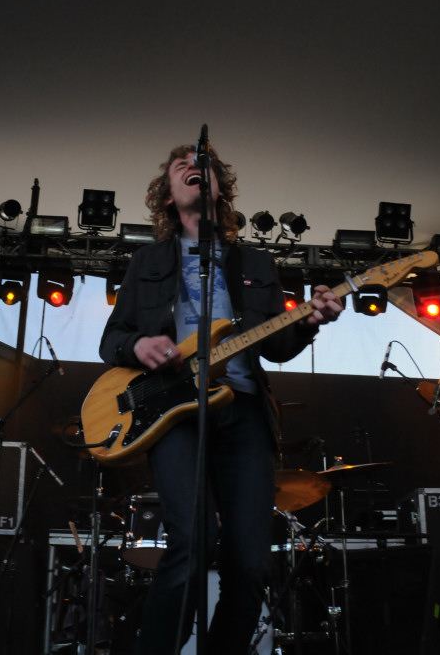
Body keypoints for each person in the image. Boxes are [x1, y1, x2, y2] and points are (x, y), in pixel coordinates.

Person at [100, 143, 343, 653]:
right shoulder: (147, 261)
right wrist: (139, 345)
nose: (195, 167)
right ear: (168, 196)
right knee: (191, 544)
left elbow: (276, 346)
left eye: (203, 164)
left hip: (244, 410)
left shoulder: (255, 261)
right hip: (174, 414)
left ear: (220, 190)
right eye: (182, 165)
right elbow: (112, 339)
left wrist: (310, 322)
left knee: (250, 562)